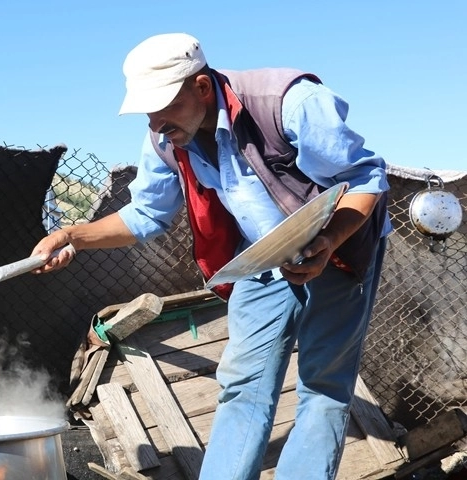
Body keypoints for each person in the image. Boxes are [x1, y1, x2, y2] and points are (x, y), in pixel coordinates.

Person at [32, 33, 391, 480]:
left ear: (202, 87)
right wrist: (73, 235)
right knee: (243, 384)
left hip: (335, 245)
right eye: (147, 110)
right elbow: (146, 213)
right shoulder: (165, 139)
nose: (156, 121)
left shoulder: (289, 102)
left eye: (165, 105)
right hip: (262, 256)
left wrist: (330, 240)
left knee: (322, 384)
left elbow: (364, 179)